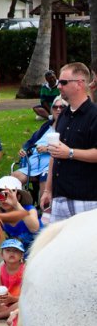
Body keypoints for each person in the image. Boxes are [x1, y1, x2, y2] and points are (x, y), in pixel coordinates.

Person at [40, 62, 97, 222]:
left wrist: (70, 153)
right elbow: (54, 153)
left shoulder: (94, 115)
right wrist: (48, 190)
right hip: (60, 197)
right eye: (59, 81)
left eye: (64, 82)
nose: (58, 86)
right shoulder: (63, 114)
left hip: (86, 200)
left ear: (80, 84)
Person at [12, 96, 67, 201]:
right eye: (55, 107)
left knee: (45, 178)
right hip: (32, 164)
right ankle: (15, 210)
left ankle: (44, 213)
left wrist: (48, 149)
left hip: (51, 165)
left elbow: (69, 148)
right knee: (13, 178)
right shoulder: (46, 126)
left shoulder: (69, 127)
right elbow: (30, 142)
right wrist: (24, 150)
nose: (58, 109)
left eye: (62, 107)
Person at [0, 175, 41, 256]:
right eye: (0, 195)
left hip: (36, 252)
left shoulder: (29, 209)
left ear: (18, 197)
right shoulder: (1, 214)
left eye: (8, 195)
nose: (4, 200)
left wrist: (16, 205)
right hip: (15, 256)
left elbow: (34, 228)